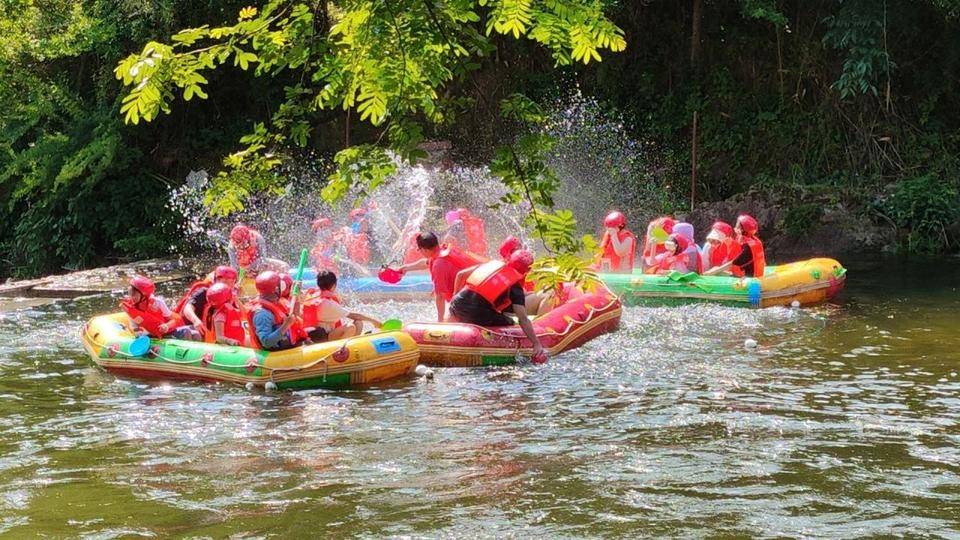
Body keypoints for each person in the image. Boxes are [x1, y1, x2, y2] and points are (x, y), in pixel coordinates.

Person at [448, 250, 547, 363]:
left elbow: (460, 274)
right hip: (476, 313)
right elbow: (523, 319)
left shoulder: (491, 265)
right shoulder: (515, 287)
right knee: (509, 322)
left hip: (456, 305)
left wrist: (454, 296)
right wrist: (536, 344)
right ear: (528, 270)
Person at [387, 232, 481, 321]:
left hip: (473, 300)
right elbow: (426, 262)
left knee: (449, 321)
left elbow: (440, 296)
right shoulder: (443, 250)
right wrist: (405, 268)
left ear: (424, 249)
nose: (421, 252)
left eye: (420, 250)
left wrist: (440, 321)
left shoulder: (438, 265)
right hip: (477, 290)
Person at [246, 271, 322, 350]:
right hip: (277, 352)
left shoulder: (276, 302)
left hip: (287, 344)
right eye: (279, 285)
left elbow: (295, 315)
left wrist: (296, 295)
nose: (281, 288)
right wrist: (286, 325)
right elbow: (266, 342)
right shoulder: (262, 314)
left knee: (317, 332)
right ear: (275, 289)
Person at [302, 270, 383, 340]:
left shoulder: (315, 295)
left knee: (358, 323)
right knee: (350, 327)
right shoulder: (328, 304)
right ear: (334, 286)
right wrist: (374, 321)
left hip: (319, 333)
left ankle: (352, 345)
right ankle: (341, 351)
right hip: (323, 337)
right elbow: (353, 315)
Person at [120, 276, 193, 339]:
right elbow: (135, 328)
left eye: (134, 294)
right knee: (186, 332)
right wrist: (141, 335)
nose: (131, 297)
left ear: (144, 294)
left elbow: (173, 320)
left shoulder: (158, 303)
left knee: (193, 333)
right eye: (130, 293)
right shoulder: (131, 308)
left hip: (163, 333)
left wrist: (166, 326)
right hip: (148, 337)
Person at [175, 265, 239, 337]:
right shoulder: (204, 292)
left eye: (231, 282)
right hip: (193, 327)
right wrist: (196, 321)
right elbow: (187, 308)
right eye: (224, 281)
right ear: (216, 280)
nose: (227, 285)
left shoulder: (230, 298)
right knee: (194, 334)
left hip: (210, 333)